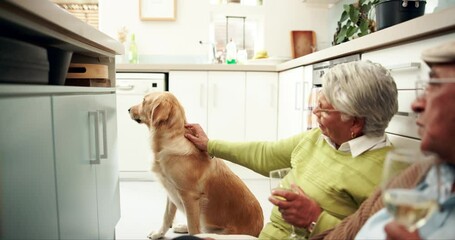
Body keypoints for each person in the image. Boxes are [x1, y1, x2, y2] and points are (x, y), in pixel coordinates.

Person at [184, 60, 398, 239]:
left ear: (355, 123)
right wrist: (209, 145)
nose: (315, 112)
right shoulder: (319, 139)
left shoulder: (388, 174)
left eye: (324, 108)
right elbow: (266, 154)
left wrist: (315, 219)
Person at [311, 41, 455, 240]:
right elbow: (346, 231)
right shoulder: (421, 174)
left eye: (434, 86)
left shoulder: (385, 169)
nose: (416, 104)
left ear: (355, 123)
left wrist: (313, 220)